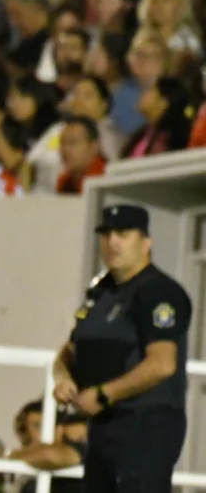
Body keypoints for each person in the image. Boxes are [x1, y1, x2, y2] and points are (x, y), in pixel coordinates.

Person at [52, 204, 190, 492]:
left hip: (144, 424)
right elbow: (69, 351)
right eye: (106, 234)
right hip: (103, 425)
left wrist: (105, 394)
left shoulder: (157, 291)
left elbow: (162, 364)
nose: (112, 242)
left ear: (146, 242)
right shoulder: (100, 291)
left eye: (123, 234)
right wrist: (63, 378)